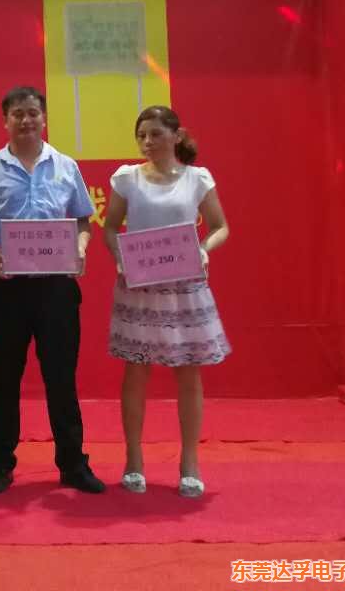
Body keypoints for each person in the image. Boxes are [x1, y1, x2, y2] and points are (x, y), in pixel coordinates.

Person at [0, 86, 105, 495]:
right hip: (8, 288)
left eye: (32, 113)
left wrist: (80, 247)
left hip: (57, 289)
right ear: (5, 121)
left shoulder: (65, 166)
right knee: (4, 378)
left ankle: (73, 464)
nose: (26, 120)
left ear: (44, 118)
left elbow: (83, 221)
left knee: (61, 378)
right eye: (17, 114)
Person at [103, 105, 231, 499]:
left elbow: (220, 226)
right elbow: (110, 227)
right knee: (136, 372)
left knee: (188, 373)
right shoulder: (127, 178)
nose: (148, 142)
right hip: (140, 287)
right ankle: (133, 460)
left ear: (176, 136)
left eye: (156, 134)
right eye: (142, 135)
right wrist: (120, 257)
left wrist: (204, 249)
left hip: (184, 287)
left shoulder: (197, 178)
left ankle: (189, 463)